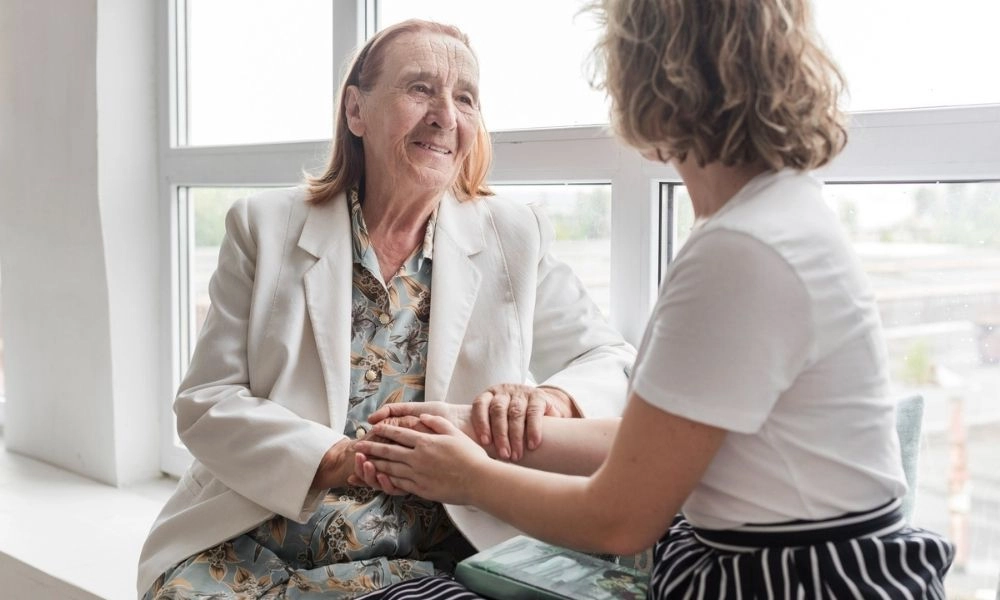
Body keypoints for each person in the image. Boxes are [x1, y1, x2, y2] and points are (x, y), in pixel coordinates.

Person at [355, 0, 956, 597]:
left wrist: (469, 479)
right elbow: (658, 443)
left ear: (653, 79)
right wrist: (473, 427)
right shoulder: (771, 217)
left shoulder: (740, 251)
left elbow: (619, 517)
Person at [136, 18, 635, 600]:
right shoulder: (263, 226)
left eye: (465, 98)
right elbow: (206, 402)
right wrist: (340, 458)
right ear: (356, 111)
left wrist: (548, 397)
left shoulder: (513, 235)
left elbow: (609, 358)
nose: (446, 115)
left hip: (437, 550)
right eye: (420, 88)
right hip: (256, 533)